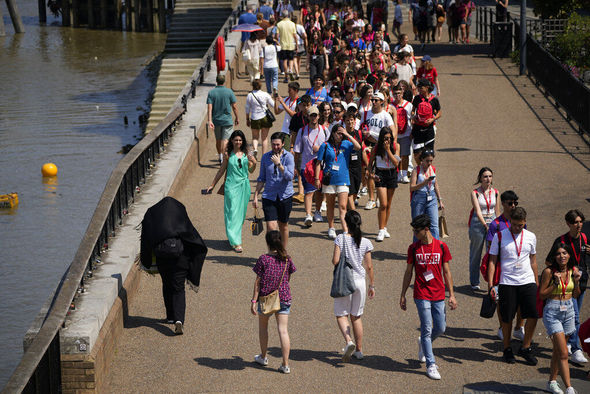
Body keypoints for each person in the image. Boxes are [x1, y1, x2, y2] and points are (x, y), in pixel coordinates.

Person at [400, 214, 457, 380]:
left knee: (441, 328)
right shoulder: (413, 248)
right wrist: (403, 294)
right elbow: (409, 272)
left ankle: (424, 344)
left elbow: (446, 271)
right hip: (421, 293)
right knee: (426, 327)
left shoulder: (441, 246)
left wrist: (452, 295)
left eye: (417, 231)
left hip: (438, 293)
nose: (415, 234)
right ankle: (431, 364)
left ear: (426, 229)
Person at [140, 197, 208, 335]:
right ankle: (179, 320)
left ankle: (170, 316)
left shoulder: (153, 214)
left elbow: (147, 237)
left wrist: (145, 260)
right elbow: (191, 236)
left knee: (166, 284)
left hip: (163, 257)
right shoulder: (180, 215)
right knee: (178, 288)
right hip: (181, 258)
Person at [488, 207, 539, 366]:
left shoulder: (531, 236)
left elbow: (533, 260)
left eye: (521, 225)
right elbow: (492, 261)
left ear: (525, 223)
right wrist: (490, 285)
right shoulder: (500, 236)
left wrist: (536, 282)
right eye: (515, 225)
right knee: (507, 317)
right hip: (507, 282)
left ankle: (526, 347)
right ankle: (507, 348)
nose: (518, 228)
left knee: (533, 314)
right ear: (510, 222)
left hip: (527, 280)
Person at [545, 210, 589, 364]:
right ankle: (576, 348)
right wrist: (566, 269)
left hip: (580, 283)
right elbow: (548, 261)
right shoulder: (561, 240)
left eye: (581, 222)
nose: (579, 225)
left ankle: (568, 343)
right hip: (565, 284)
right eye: (576, 222)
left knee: (572, 316)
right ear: (568, 224)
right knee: (575, 316)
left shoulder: (584, 238)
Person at [251, 230, 296, 374]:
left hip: (266, 298)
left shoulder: (263, 259)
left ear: (267, 243)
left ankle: (263, 357)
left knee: (263, 328)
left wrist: (253, 301)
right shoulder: (287, 259)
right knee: (283, 330)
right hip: (283, 297)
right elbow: (288, 278)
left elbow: (257, 282)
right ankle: (285, 364)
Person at [332, 210, 375, 362]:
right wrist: (372, 285)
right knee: (356, 316)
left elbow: (335, 260)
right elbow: (369, 266)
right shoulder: (366, 242)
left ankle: (348, 341)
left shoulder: (340, 238)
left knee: (341, 314)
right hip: (360, 282)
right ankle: (359, 350)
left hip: (345, 280)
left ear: (346, 223)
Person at [540, 242, 581, 394]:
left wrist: (576, 282)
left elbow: (576, 294)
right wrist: (554, 284)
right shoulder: (549, 272)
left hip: (569, 311)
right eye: (558, 254)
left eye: (564, 253)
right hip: (553, 312)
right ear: (554, 256)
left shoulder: (573, 270)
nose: (562, 256)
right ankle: (569, 388)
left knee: (557, 350)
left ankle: (551, 382)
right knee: (563, 353)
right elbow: (542, 294)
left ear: (569, 255)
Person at [206, 130, 256, 253]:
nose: (238, 142)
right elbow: (221, 170)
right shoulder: (228, 154)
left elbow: (251, 170)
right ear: (232, 141)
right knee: (232, 212)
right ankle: (236, 242)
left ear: (242, 141)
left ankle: (233, 236)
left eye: (240, 140)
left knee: (240, 214)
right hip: (231, 186)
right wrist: (212, 185)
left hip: (244, 186)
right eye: (236, 140)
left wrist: (254, 162)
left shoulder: (246, 153)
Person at [485, 190, 526, 341]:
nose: (513, 205)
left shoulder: (521, 222)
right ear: (502, 204)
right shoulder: (496, 224)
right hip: (501, 266)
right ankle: (503, 327)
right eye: (510, 203)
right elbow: (491, 251)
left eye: (515, 203)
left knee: (522, 299)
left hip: (519, 265)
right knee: (501, 299)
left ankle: (518, 327)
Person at [315, 124, 361, 239]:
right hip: (329, 179)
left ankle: (345, 230)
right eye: (338, 133)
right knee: (330, 205)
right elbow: (318, 163)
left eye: (341, 133)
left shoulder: (346, 144)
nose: (340, 135)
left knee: (342, 206)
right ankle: (331, 227)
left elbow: (358, 147)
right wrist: (316, 178)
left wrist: (347, 134)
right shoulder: (325, 145)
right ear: (333, 133)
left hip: (343, 179)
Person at [253, 133, 295, 248]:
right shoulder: (266, 157)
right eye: (273, 144)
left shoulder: (289, 157)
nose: (275, 147)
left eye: (278, 144)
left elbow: (290, 177)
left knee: (283, 226)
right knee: (271, 227)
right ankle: (272, 253)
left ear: (282, 144)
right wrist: (256, 196)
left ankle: (283, 251)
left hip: (285, 196)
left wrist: (280, 165)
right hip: (269, 196)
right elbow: (262, 178)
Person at [293, 105, 328, 227]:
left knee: (319, 191)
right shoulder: (302, 131)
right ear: (308, 116)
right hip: (306, 166)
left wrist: (320, 149)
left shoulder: (324, 130)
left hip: (321, 165)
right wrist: (294, 167)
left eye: (315, 115)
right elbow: (297, 151)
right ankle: (308, 215)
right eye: (311, 115)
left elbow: (330, 147)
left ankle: (317, 212)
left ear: (319, 116)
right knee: (309, 192)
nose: (313, 117)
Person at [468, 167, 499, 291]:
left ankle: (491, 281)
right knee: (476, 253)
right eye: (485, 176)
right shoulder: (475, 193)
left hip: (492, 220)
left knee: (492, 253)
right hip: (478, 223)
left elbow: (497, 211)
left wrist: (497, 224)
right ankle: (474, 281)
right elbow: (477, 210)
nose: (488, 179)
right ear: (480, 178)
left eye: (490, 176)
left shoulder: (496, 192)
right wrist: (485, 225)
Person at [368, 127, 400, 242]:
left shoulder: (396, 147)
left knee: (389, 204)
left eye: (389, 138)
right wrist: (372, 175)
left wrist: (388, 150)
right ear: (381, 138)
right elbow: (369, 166)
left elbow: (396, 163)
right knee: (383, 204)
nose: (388, 141)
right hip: (380, 174)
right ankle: (381, 229)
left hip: (391, 174)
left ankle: (384, 226)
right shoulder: (376, 148)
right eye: (385, 138)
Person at [410, 149, 443, 239]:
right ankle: (416, 250)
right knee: (418, 226)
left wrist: (440, 200)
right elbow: (412, 187)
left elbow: (435, 184)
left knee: (434, 225)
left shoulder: (432, 169)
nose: (429, 163)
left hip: (431, 197)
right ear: (422, 160)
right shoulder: (416, 170)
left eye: (431, 161)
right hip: (419, 198)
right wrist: (424, 183)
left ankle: (436, 248)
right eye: (427, 161)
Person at [207, 74, 239, 164]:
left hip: (216, 120)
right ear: (224, 81)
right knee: (226, 140)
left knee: (218, 139)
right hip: (227, 120)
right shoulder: (229, 92)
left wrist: (210, 120)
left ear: (216, 81)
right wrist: (237, 117)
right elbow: (234, 106)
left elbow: (209, 107)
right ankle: (224, 157)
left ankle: (220, 156)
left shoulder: (211, 93)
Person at [246, 79, 275, 157]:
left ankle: (255, 149)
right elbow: (273, 104)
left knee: (255, 137)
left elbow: (247, 108)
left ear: (252, 86)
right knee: (264, 138)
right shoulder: (265, 94)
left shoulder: (250, 95)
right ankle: (264, 155)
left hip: (254, 117)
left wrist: (247, 119)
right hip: (264, 116)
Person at [411, 79, 441, 152]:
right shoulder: (417, 98)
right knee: (417, 153)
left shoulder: (434, 100)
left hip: (429, 130)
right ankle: (420, 164)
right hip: (418, 128)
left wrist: (432, 119)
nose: (419, 89)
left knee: (428, 153)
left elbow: (439, 113)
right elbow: (413, 110)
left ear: (427, 87)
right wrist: (413, 117)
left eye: (421, 88)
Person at [392, 83, 412, 183]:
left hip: (406, 134)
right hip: (394, 135)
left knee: (405, 155)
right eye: (395, 93)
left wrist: (412, 133)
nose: (397, 95)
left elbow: (412, 120)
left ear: (402, 93)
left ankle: (404, 174)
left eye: (399, 93)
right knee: (396, 155)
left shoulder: (409, 105)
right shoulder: (390, 106)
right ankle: (397, 174)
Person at [277, 9, 297, 82]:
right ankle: (291, 70)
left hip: (283, 45)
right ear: (288, 15)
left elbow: (277, 36)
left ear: (282, 16)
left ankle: (286, 76)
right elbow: (295, 36)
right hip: (291, 44)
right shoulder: (292, 24)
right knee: (291, 59)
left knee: (284, 60)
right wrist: (297, 44)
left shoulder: (279, 24)